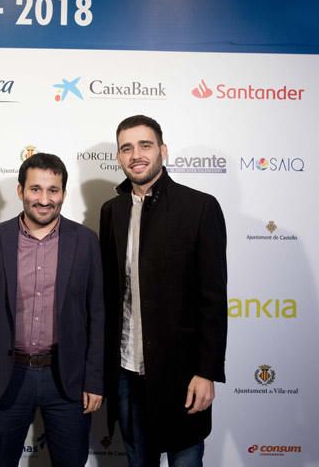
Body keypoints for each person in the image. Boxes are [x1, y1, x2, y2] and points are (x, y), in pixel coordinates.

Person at [99, 115, 227, 466]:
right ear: (119, 157)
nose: (136, 154)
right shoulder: (112, 211)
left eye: (145, 145)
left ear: (163, 151)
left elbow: (213, 300)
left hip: (182, 373)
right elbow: (112, 298)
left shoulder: (200, 207)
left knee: (186, 458)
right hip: (126, 370)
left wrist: (206, 371)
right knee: (138, 460)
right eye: (127, 148)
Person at [0, 153, 104, 467]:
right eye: (36, 189)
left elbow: (97, 313)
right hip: (8, 374)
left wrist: (94, 380)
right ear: (20, 191)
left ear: (64, 194)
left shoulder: (85, 242)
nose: (44, 199)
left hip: (67, 377)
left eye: (53, 190)